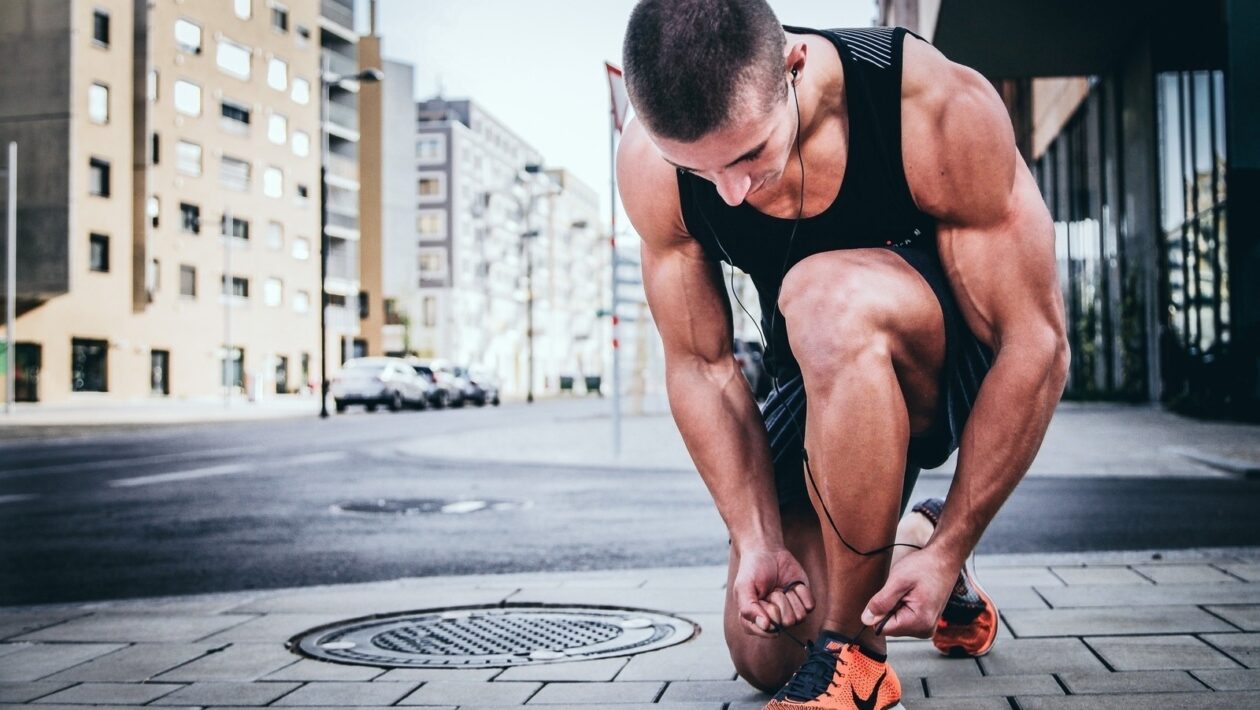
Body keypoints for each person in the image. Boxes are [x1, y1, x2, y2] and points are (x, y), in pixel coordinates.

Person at [616, 1, 1069, 708]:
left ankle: (857, 661)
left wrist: (958, 535)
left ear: (794, 68)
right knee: (766, 648)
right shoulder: (650, 164)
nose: (729, 192)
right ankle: (909, 552)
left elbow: (1036, 342)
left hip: (944, 364)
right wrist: (757, 538)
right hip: (816, 370)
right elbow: (700, 367)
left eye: (746, 156)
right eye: (700, 171)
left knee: (823, 294)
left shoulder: (929, 103)